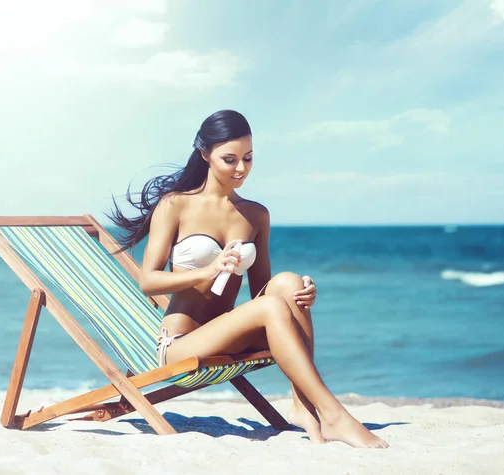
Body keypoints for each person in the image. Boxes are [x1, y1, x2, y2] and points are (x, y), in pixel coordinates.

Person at [108, 110, 389, 448]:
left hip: (230, 334)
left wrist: (302, 295)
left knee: (289, 283)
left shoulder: (256, 214)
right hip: (182, 343)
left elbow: (262, 290)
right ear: (205, 154)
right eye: (230, 159)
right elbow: (148, 281)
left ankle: (303, 404)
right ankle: (333, 414)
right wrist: (208, 270)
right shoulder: (176, 205)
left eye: (248, 158)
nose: (241, 168)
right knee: (272, 304)